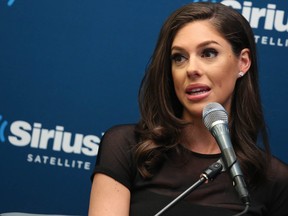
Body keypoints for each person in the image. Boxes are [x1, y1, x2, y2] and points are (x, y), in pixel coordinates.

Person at [88, 2, 288, 216]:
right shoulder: (127, 147)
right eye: (179, 57)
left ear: (243, 62)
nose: (191, 69)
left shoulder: (274, 178)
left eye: (209, 53)